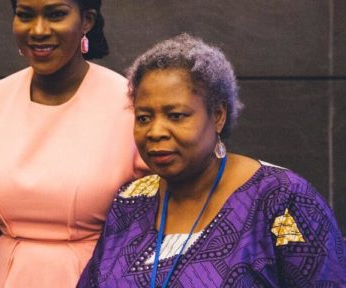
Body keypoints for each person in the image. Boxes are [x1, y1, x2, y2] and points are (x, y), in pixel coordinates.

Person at [77, 33, 346, 287]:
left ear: (217, 116)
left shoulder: (281, 197)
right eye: (144, 117)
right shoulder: (130, 202)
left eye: (176, 115)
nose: (155, 132)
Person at [0, 0, 146, 287]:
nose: (38, 30)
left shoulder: (132, 106)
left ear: (86, 20)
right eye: (25, 15)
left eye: (56, 15)